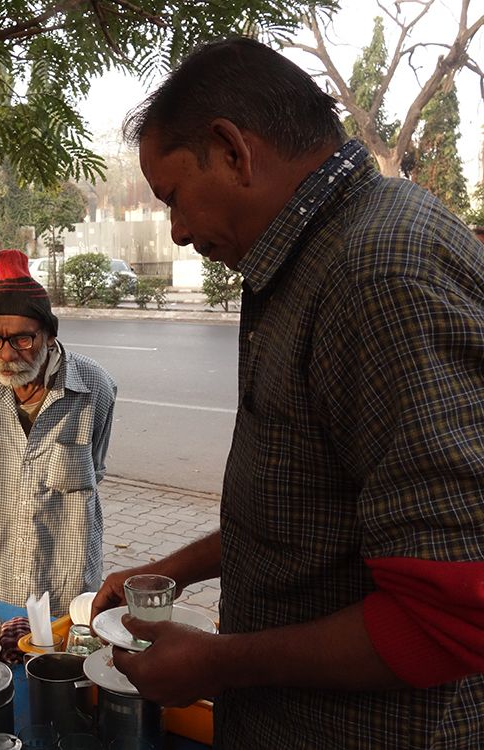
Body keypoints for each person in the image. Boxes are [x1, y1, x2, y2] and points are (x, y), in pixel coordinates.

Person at [90, 38, 484, 749]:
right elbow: (310, 508)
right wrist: (170, 568)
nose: (176, 231)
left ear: (234, 151)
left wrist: (220, 662)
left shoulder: (375, 273)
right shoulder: (308, 257)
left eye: (174, 197)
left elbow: (447, 619)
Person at [0, 249, 117, 616]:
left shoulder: (94, 387)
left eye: (22, 340)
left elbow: (96, 469)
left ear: (49, 336)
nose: (6, 355)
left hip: (63, 581)